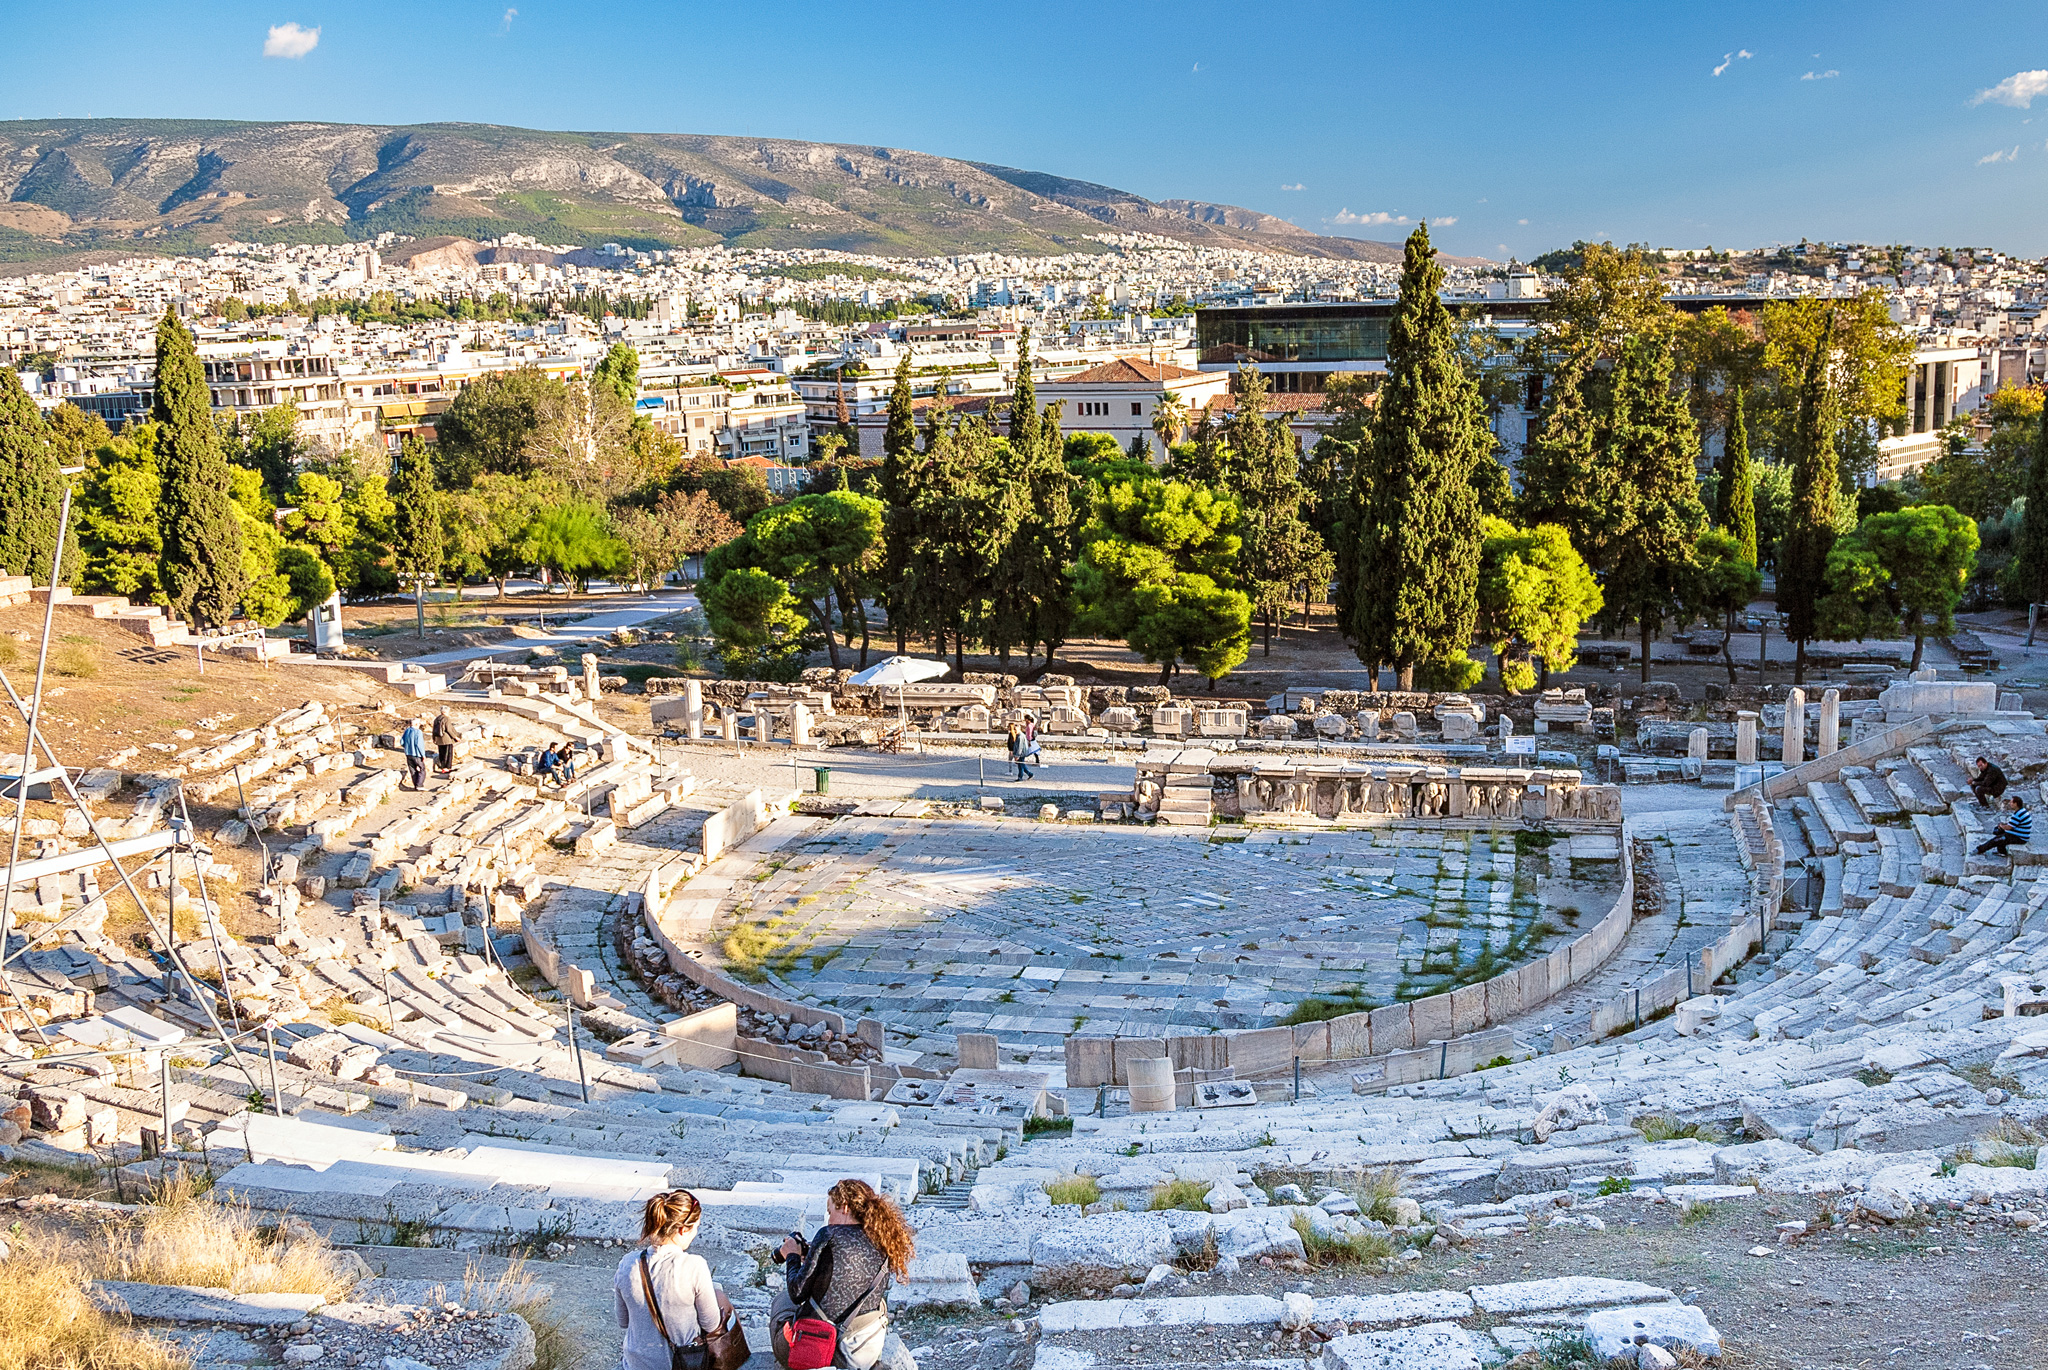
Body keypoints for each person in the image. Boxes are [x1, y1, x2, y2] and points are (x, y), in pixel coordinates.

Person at [771, 1179, 914, 1370]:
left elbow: (797, 1292)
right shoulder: (884, 1240)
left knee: (782, 1301)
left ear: (845, 1207)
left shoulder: (829, 1233)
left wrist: (792, 1256)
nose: (829, 1219)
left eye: (830, 1212)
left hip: (819, 1351)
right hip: (861, 1353)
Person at [614, 1190, 727, 1370]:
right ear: (683, 1230)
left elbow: (623, 1321)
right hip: (679, 1364)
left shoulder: (627, 1263)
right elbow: (711, 1324)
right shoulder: (694, 1265)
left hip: (635, 1364)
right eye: (695, 1228)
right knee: (720, 1295)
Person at [400, 719, 428, 792]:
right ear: (416, 724)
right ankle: (420, 785)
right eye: (419, 724)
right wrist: (423, 755)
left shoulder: (407, 730)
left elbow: (402, 742)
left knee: (412, 770)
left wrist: (407, 747)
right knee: (422, 769)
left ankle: (416, 784)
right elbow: (419, 744)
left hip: (408, 753)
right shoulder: (418, 732)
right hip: (416, 754)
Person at [432, 708, 457, 777]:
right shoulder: (446, 719)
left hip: (439, 739)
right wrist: (455, 737)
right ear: (446, 712)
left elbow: (433, 729)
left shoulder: (437, 718)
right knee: (448, 754)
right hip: (446, 739)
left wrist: (434, 738)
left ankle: (443, 767)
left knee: (442, 753)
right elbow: (449, 729)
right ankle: (447, 768)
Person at [1006, 718, 1027, 782]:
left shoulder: (1019, 736)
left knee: (1020, 765)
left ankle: (1020, 777)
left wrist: (1016, 754)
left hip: (1019, 753)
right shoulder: (1018, 735)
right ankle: (1029, 774)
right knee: (1021, 765)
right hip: (1018, 752)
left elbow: (1019, 746)